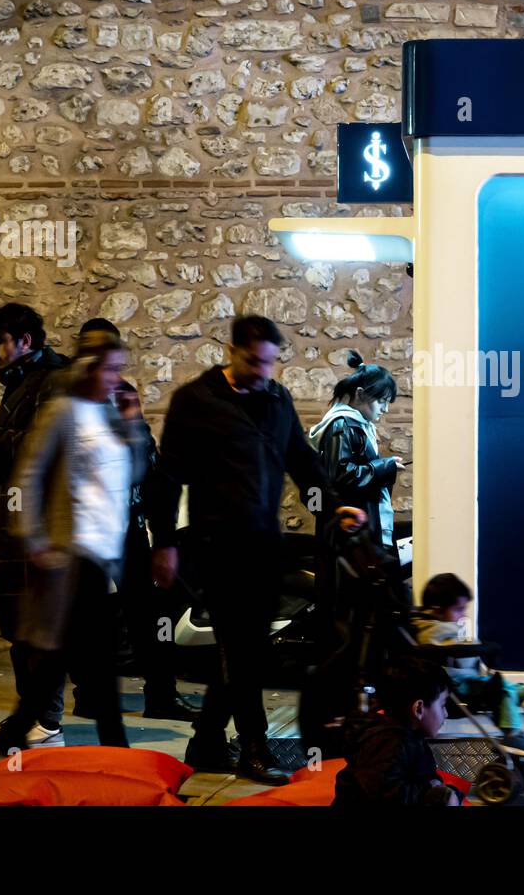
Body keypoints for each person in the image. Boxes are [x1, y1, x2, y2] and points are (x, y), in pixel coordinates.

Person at [148, 314, 329, 784]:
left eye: (269, 363)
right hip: (217, 546)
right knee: (245, 649)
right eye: (254, 361)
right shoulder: (196, 402)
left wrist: (335, 506)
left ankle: (206, 740)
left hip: (263, 546)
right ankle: (254, 748)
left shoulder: (276, 399)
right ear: (231, 352)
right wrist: (163, 543)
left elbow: (301, 459)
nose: (262, 372)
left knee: (244, 650)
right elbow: (167, 478)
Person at [0, 331, 149, 755]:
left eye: (120, 369)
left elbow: (135, 473)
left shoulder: (113, 415)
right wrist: (34, 538)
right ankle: (117, 751)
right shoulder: (64, 412)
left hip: (103, 554)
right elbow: (29, 475)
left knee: (61, 658)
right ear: (88, 368)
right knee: (97, 660)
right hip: (70, 554)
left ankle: (18, 732)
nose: (117, 378)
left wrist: (134, 422)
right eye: (110, 369)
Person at [77, 318, 197, 723]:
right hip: (91, 530)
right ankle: (88, 697)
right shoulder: (72, 406)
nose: (114, 376)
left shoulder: (122, 398)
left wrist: (133, 421)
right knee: (89, 620)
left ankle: (160, 694)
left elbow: (146, 462)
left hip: (128, 526)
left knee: (147, 616)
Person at [0, 303, 69, 749]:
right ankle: (26, 720)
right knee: (17, 627)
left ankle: (45, 722)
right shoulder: (23, 379)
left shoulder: (52, 380)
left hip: (36, 527)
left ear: (25, 340)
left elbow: (40, 448)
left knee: (37, 630)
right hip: (12, 525)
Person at [307, 351, 404, 644]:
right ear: (360, 394)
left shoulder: (356, 425)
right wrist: (384, 465)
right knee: (348, 614)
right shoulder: (343, 424)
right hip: (350, 535)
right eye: (382, 401)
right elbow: (342, 476)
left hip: (354, 533)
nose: (385, 409)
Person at [410, 573, 524, 758]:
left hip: (461, 681)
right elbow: (452, 651)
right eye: (458, 610)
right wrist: (475, 647)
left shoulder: (436, 627)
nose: (462, 616)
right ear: (437, 609)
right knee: (499, 688)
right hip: (454, 687)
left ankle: (523, 694)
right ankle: (513, 732)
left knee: (498, 686)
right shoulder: (431, 632)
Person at [332, 656, 463, 806]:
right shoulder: (387, 742)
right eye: (442, 705)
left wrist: (444, 791)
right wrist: (431, 796)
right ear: (419, 709)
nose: (445, 713)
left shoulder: (411, 736)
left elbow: (421, 778)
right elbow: (385, 795)